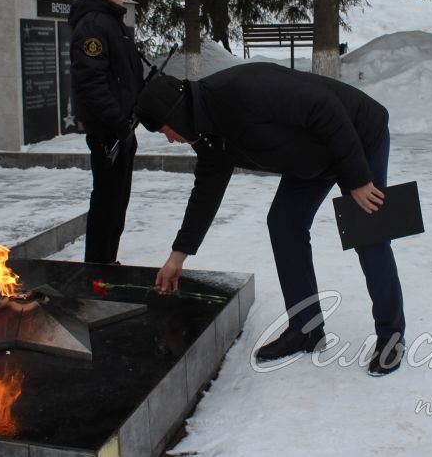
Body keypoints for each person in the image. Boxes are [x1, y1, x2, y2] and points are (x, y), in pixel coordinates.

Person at [134, 63, 407, 376]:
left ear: (176, 112)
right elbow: (205, 194)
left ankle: (391, 336)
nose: (169, 139)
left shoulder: (241, 89)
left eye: (165, 130)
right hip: (311, 158)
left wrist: (358, 178)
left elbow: (325, 107)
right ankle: (306, 328)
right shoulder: (208, 135)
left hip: (355, 134)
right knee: (284, 224)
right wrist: (177, 255)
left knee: (369, 233)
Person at [69, 0, 144, 264]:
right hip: (108, 132)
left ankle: (107, 263)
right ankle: (97, 268)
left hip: (122, 128)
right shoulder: (93, 24)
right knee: (106, 202)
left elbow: (121, 75)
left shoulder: (111, 21)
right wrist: (115, 122)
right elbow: (91, 81)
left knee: (117, 202)